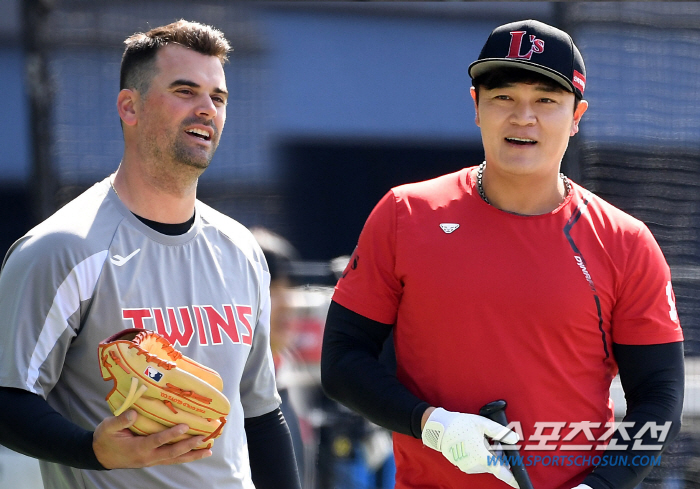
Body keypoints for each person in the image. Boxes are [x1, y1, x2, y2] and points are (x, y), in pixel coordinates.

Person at [321, 19, 684, 489]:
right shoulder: (404, 213)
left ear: (577, 116)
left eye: (546, 101)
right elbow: (342, 362)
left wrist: (603, 486)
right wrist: (431, 424)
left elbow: (659, 395)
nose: (522, 117)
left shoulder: (625, 242)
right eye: (503, 97)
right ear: (476, 107)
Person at [0, 20, 301, 489]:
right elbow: (7, 397)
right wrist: (92, 451)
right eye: (185, 91)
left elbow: (261, 415)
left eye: (217, 98)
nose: (206, 109)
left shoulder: (242, 250)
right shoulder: (62, 249)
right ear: (129, 107)